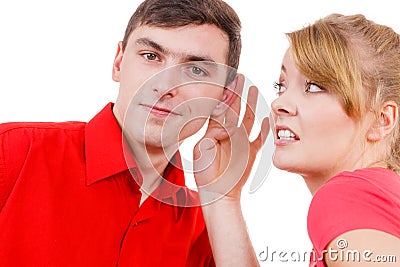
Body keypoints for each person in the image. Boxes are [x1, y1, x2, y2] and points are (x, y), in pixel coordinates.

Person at [0, 0, 268, 266]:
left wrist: (222, 199)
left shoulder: (211, 225)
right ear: (118, 62)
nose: (164, 85)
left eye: (196, 69)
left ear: (224, 95)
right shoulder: (12, 152)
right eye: (151, 57)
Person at [202, 13, 400, 267]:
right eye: (281, 85)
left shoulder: (343, 196)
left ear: (382, 119)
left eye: (315, 86)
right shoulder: (382, 198)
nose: (278, 103)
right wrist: (221, 199)